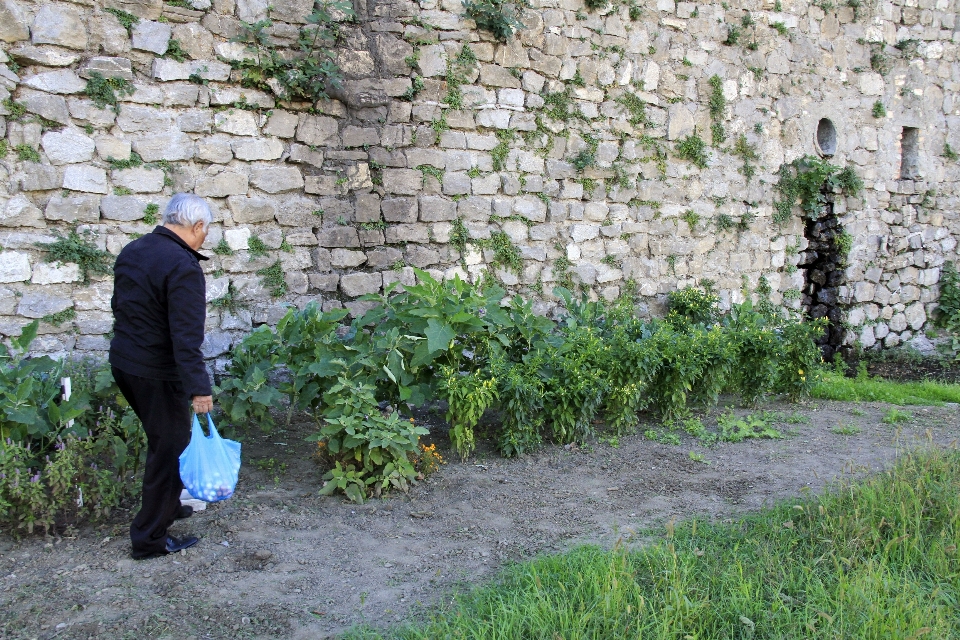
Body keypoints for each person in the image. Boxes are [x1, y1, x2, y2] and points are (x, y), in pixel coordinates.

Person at [109, 193, 215, 559]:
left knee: (165, 440)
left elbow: (119, 306)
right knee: (168, 450)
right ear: (197, 226)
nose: (205, 239)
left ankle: (169, 508)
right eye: (206, 231)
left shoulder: (134, 249)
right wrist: (199, 389)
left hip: (125, 362)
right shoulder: (183, 266)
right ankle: (150, 539)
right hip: (155, 371)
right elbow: (186, 338)